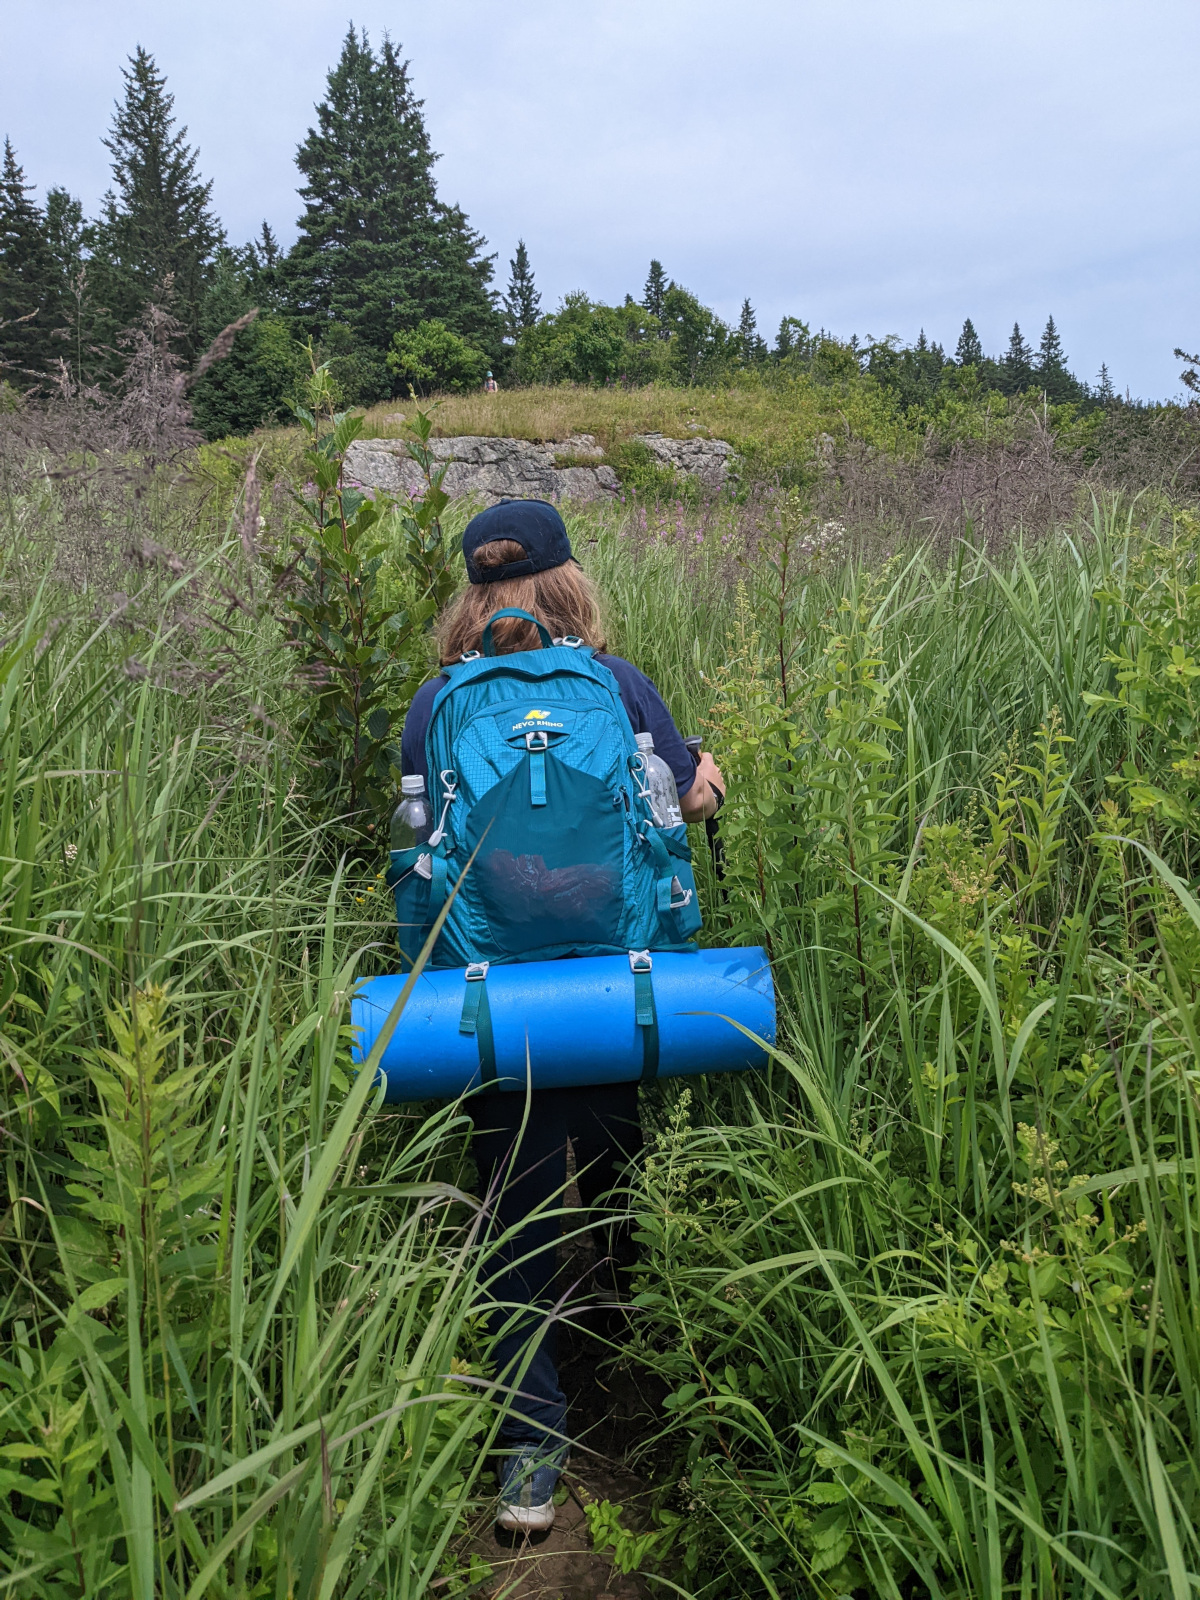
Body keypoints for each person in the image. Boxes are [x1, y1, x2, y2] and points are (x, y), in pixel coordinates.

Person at [400, 498, 724, 1535]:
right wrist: (705, 780)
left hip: (494, 1015)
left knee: (513, 1225)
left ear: (473, 594)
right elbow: (681, 800)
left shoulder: (435, 700)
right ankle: (642, 1391)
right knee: (629, 1182)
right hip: (622, 999)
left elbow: (415, 841)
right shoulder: (618, 685)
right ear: (569, 582)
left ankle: (531, 1462)